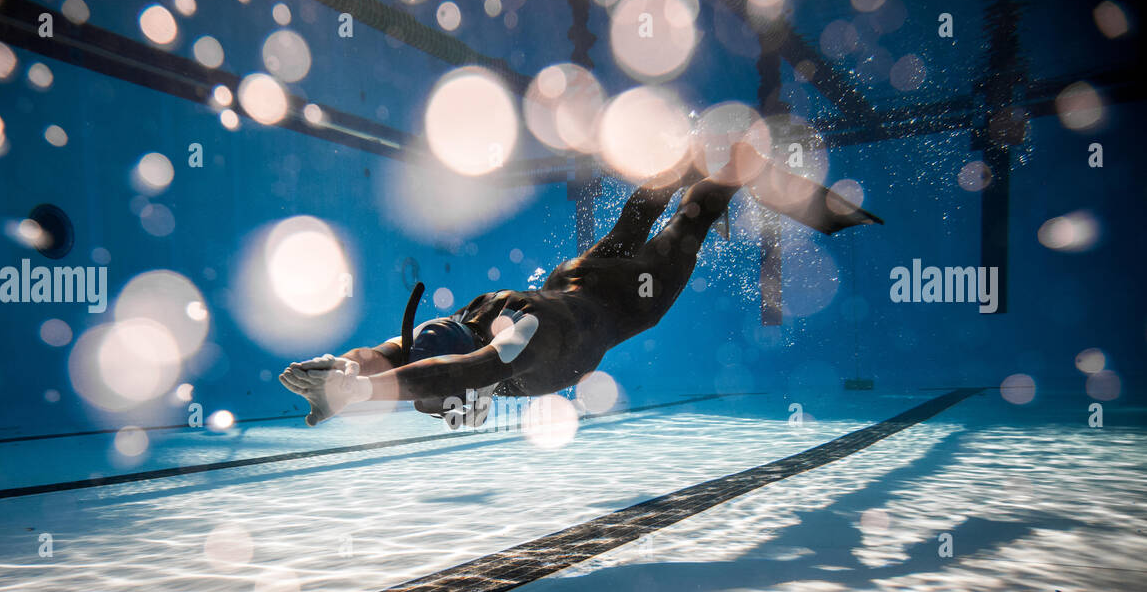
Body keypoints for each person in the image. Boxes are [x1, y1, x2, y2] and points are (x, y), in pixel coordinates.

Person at [281, 142, 880, 427]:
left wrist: (361, 393)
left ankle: (732, 170)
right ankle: (683, 164)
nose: (447, 417)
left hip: (622, 297)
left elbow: (454, 372)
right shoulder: (468, 322)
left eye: (442, 409)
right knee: (633, 221)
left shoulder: (511, 348)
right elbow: (401, 351)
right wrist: (347, 370)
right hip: (572, 281)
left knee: (687, 229)